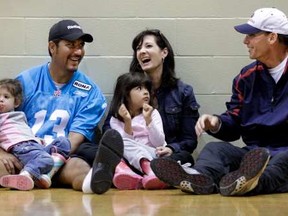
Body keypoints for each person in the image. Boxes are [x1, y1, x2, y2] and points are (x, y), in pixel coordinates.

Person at [151, 7, 288, 196]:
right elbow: (234, 124)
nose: (245, 41)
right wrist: (216, 123)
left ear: (272, 37)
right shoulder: (245, 78)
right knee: (214, 149)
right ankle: (199, 179)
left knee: (284, 160)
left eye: (252, 35)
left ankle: (253, 183)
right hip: (254, 153)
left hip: (284, 154)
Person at [0, 19, 123, 194]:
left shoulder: (91, 93)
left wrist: (47, 162)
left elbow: (74, 139)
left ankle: (96, 181)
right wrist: (2, 153)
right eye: (71, 45)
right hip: (22, 154)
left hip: (59, 160)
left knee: (80, 168)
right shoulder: (25, 81)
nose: (78, 51)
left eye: (81, 46)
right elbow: (3, 120)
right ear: (52, 47)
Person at [103, 29, 200, 187]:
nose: (142, 52)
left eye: (148, 46)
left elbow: (189, 140)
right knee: (90, 150)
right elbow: (109, 129)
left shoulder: (183, 92)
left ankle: (141, 172)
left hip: (161, 155)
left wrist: (171, 148)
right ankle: (137, 172)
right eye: (138, 48)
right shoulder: (127, 87)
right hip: (128, 149)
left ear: (164, 52)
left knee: (185, 158)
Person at [0, 78, 71, 190]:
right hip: (20, 147)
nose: (1, 100)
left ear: (16, 102)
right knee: (46, 159)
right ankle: (25, 175)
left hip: (34, 146)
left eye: (6, 97)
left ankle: (45, 176)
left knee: (63, 142)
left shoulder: (19, 115)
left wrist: (37, 141)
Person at [109, 72, 168, 190]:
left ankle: (149, 169)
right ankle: (132, 175)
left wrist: (148, 120)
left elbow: (159, 143)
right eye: (139, 88)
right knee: (119, 144)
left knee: (121, 144)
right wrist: (127, 121)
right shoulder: (115, 119)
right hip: (131, 158)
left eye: (147, 88)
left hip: (153, 155)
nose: (146, 92)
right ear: (126, 94)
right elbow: (126, 146)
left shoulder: (153, 113)